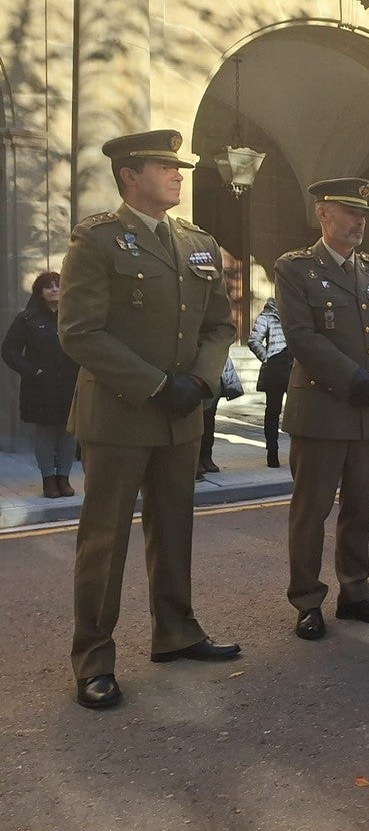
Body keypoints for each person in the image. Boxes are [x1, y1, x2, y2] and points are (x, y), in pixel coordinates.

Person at [59, 129, 240, 710]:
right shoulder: (96, 239)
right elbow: (80, 332)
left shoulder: (198, 242)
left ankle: (176, 631)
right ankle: (93, 658)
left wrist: (202, 382)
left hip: (181, 415)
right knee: (105, 541)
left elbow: (220, 323)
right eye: (165, 166)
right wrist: (157, 385)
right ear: (129, 176)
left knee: (175, 528)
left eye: (178, 166)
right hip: (120, 413)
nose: (178, 174)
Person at [275, 178, 369, 641]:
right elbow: (301, 335)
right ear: (323, 213)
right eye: (350, 212)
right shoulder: (296, 267)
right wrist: (355, 380)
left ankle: (356, 591)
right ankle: (307, 600)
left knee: (359, 507)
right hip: (323, 409)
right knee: (311, 513)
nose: (359, 221)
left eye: (363, 214)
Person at [3, 271, 79, 498]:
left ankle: (64, 479)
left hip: (69, 384)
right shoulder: (27, 319)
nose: (54, 289)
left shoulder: (74, 317)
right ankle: (48, 480)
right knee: (45, 432)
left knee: (69, 432)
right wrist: (32, 371)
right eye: (49, 286)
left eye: (58, 285)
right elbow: (9, 350)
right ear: (40, 292)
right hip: (40, 386)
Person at [247, 297, 291, 468]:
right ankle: (272, 451)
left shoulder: (295, 313)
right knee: (273, 411)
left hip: (294, 369)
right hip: (275, 370)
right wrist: (267, 359)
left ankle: (297, 450)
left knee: (296, 411)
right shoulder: (267, 315)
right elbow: (253, 340)